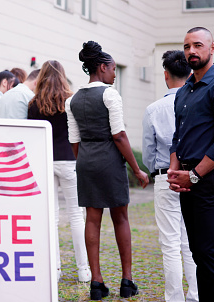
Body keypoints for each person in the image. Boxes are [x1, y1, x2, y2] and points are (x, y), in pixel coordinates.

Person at [167, 27, 214, 302]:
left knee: (208, 252)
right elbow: (178, 135)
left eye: (198, 45)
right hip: (188, 179)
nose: (191, 51)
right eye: (187, 46)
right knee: (198, 252)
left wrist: (194, 176)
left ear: (212, 48)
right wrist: (175, 168)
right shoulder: (185, 90)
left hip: (209, 180)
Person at [66, 41, 149, 300]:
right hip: (110, 162)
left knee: (92, 219)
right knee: (120, 218)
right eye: (113, 69)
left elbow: (74, 140)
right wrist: (137, 169)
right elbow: (120, 135)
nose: (114, 74)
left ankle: (97, 283)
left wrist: (86, 162)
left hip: (86, 161)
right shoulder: (110, 94)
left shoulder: (72, 100)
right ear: (102, 67)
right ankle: (127, 281)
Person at [142, 50, 198, 302]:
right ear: (190, 73)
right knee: (192, 242)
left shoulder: (154, 109)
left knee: (170, 244)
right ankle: (196, 295)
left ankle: (174, 299)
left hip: (165, 177)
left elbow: (147, 153)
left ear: (166, 74)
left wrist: (157, 169)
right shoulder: (198, 103)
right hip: (195, 176)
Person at [27, 60, 90, 283]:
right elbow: (79, 133)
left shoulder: (34, 103)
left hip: (45, 160)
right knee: (76, 216)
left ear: (41, 76)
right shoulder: (71, 101)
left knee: (51, 217)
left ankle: (55, 269)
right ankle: (84, 270)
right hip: (69, 160)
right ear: (63, 76)